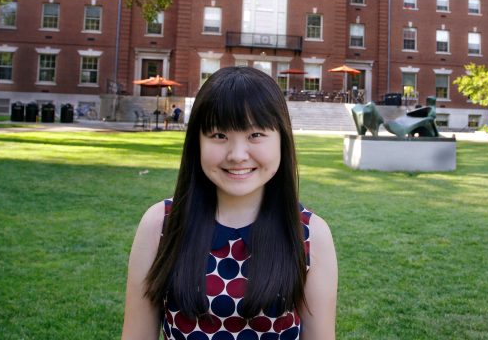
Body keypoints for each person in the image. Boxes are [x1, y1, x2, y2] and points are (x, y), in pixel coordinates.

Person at [122, 66, 338, 340]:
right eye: (219, 135)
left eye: (255, 135)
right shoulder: (161, 224)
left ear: (281, 140)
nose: (237, 155)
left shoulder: (309, 234)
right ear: (197, 143)